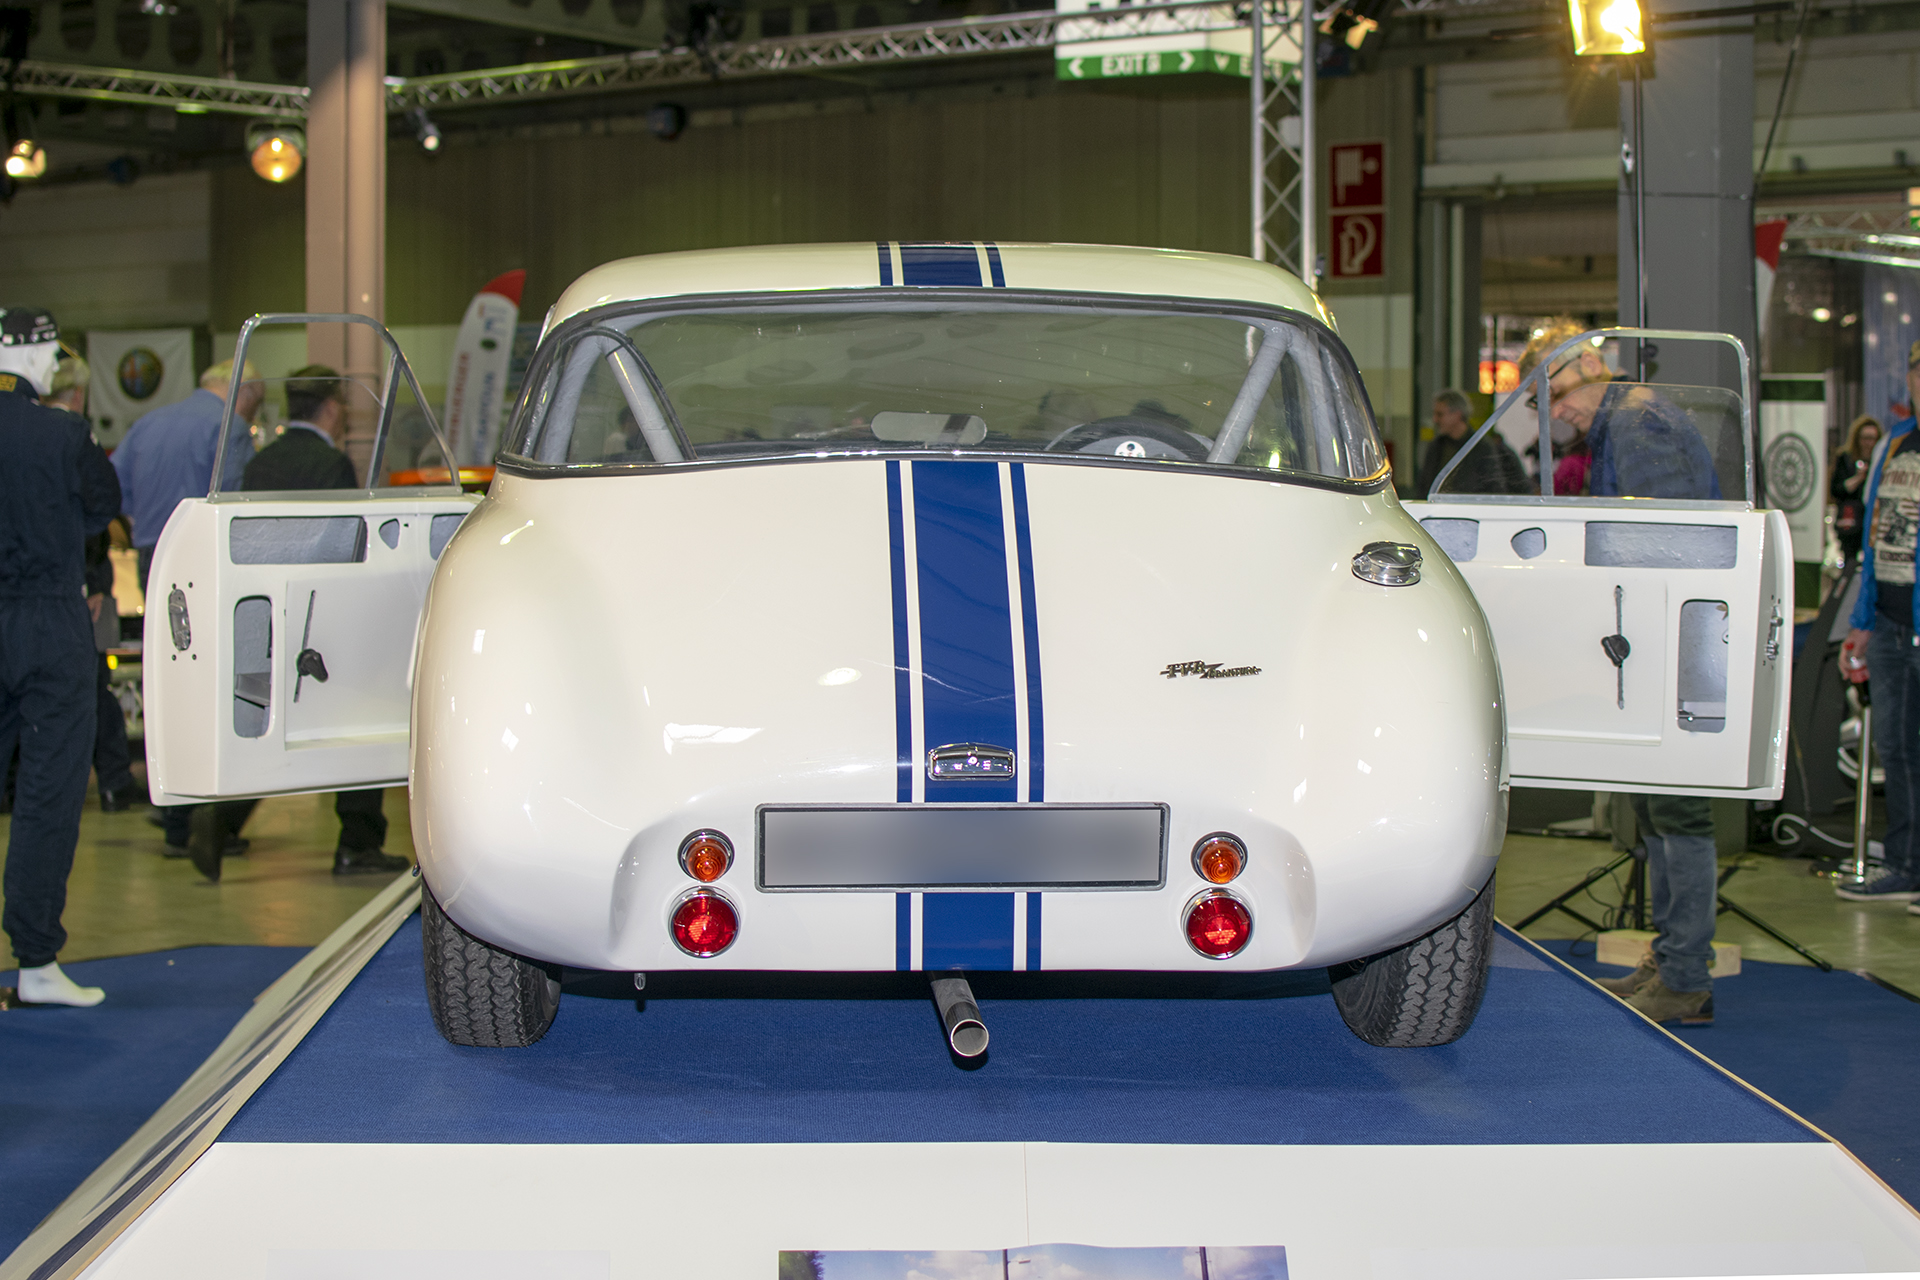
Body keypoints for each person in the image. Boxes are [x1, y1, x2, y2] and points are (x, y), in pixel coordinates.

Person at [1520, 319, 1722, 1024]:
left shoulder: (1639, 425)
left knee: (1678, 813)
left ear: (1587, 369)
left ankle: (1686, 974)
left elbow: (1665, 544)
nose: (1557, 413)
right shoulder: (1625, 424)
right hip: (1663, 638)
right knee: (1665, 813)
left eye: (1554, 393)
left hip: (1670, 640)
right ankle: (1673, 962)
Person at [238, 366, 410, 880]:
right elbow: (345, 543)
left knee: (262, 715)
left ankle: (219, 821)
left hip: (269, 611)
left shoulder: (261, 464)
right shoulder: (331, 463)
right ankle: (357, 843)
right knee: (355, 718)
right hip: (324, 614)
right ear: (332, 409)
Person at [0, 309, 121, 1007]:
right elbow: (101, 508)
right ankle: (37, 963)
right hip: (48, 618)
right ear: (39, 356)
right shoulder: (64, 432)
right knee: (46, 797)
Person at [1840, 342, 1920, 907]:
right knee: (1895, 748)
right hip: (1890, 622)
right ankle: (1907, 865)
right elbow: (1874, 535)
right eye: (1917, 370)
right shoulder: (1895, 441)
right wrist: (1862, 622)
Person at [44, 355, 142, 812]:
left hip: (47, 588)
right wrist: (94, 581)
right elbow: (96, 516)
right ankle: (114, 781)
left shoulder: (30, 437)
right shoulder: (74, 439)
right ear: (80, 393)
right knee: (93, 689)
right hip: (81, 589)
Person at [111, 358, 263, 592]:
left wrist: (141, 519)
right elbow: (237, 497)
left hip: (150, 552)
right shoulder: (230, 426)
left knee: (159, 626)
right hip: (204, 553)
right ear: (245, 393)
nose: (253, 414)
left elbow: (114, 484)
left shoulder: (147, 422)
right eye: (257, 403)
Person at [1415, 388, 1530, 498]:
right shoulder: (1436, 446)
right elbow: (1425, 485)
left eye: (1440, 414)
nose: (1435, 420)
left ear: (1457, 414)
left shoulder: (1482, 447)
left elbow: (1493, 488)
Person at [1833, 415, 1882, 564]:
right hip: (1851, 523)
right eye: (1865, 438)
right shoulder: (1845, 459)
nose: (1869, 443)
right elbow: (1836, 490)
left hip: (1874, 521)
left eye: (1873, 439)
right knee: (1850, 563)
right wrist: (1858, 478)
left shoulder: (1880, 461)